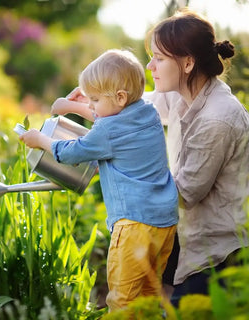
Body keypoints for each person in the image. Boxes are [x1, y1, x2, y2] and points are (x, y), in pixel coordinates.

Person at [51, 9, 249, 307]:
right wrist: (93, 102)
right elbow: (136, 110)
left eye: (158, 58)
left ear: (187, 63)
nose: (149, 65)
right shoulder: (183, 92)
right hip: (179, 230)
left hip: (216, 249)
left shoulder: (217, 119)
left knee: (157, 306)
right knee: (145, 299)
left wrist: (115, 163)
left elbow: (185, 194)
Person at [19, 49, 178, 311]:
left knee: (122, 300)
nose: (90, 105)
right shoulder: (147, 111)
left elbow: (70, 152)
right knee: (149, 294)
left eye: (94, 99)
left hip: (134, 225)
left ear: (119, 97)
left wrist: (40, 140)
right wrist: (73, 105)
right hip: (164, 222)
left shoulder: (106, 130)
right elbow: (111, 115)